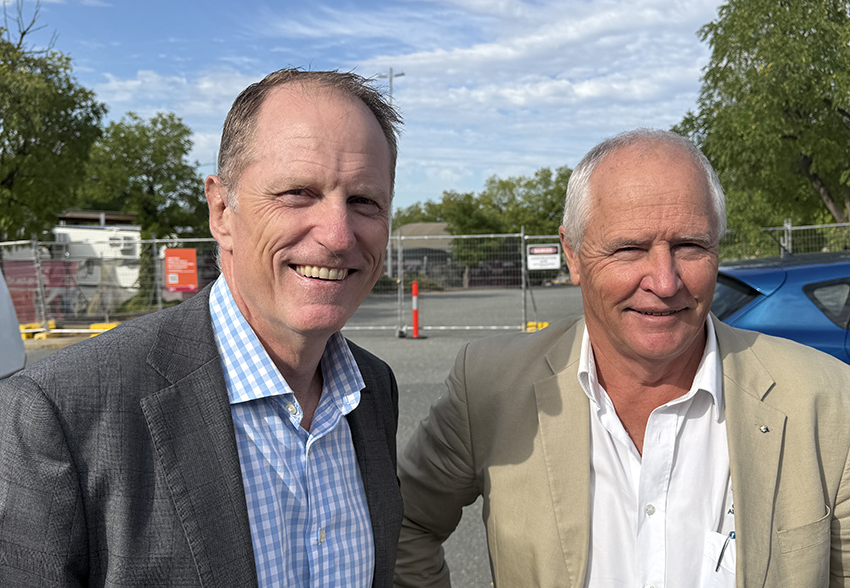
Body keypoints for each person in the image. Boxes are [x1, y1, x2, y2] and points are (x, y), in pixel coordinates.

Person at [0, 69, 403, 587]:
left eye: (364, 201)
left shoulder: (374, 391)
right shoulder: (60, 413)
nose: (338, 234)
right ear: (221, 212)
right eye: (299, 192)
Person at [394, 129, 850, 587]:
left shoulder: (826, 400)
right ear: (572, 255)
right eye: (629, 248)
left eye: (690, 246)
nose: (665, 281)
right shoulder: (491, 386)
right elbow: (401, 524)